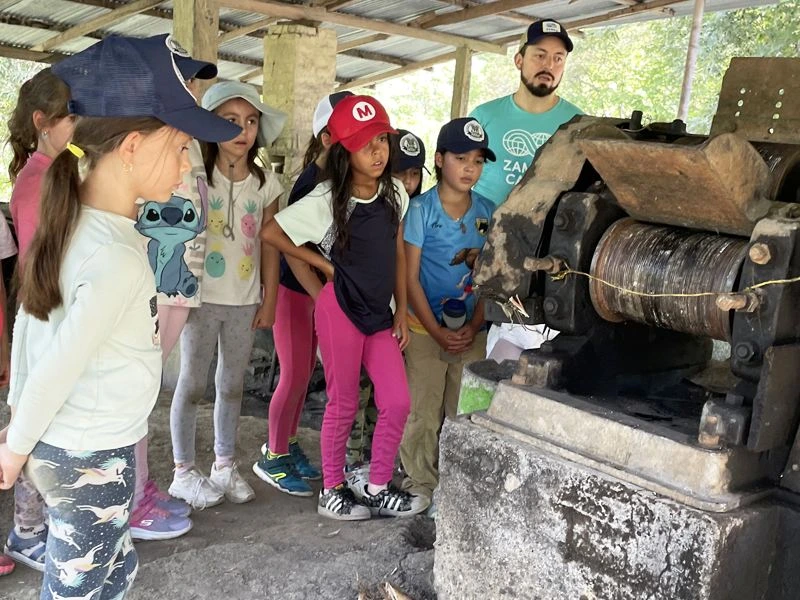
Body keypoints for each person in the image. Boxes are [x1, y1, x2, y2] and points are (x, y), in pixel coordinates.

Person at [0, 33, 239, 599]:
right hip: (92, 455)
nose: (186, 166)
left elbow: (31, 329)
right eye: (180, 148)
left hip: (77, 445)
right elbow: (60, 359)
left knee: (115, 570)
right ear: (132, 146)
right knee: (79, 587)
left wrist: (20, 423)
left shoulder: (79, 225)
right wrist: (15, 447)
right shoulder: (114, 255)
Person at [262, 95, 427, 521]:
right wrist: (324, 266)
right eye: (364, 144)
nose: (377, 152)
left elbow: (397, 250)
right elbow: (272, 233)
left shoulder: (394, 191)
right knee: (344, 402)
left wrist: (401, 310)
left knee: (397, 401)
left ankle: (376, 486)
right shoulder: (325, 197)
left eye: (382, 140)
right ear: (343, 151)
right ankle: (332, 488)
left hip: (380, 313)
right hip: (340, 310)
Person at [168, 81, 285, 510]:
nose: (243, 130)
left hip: (244, 300)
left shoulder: (266, 183)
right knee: (192, 383)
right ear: (209, 125)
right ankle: (183, 471)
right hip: (198, 298)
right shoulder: (195, 176)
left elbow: (270, 245)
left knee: (233, 385)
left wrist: (269, 298)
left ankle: (224, 465)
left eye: (251, 121)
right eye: (230, 120)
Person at [128, 44, 222, 542]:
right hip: (154, 285)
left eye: (193, 80)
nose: (192, 88)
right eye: (183, 79)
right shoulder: (145, 134)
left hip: (180, 285)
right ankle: (131, 498)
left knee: (142, 391)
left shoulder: (185, 134)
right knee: (135, 392)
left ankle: (140, 486)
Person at [254, 91, 352, 498]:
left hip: (313, 294)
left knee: (303, 373)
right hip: (295, 294)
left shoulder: (337, 181)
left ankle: (288, 444)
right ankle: (273, 456)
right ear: (327, 138)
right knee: (293, 375)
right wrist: (321, 296)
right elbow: (292, 250)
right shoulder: (312, 183)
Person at [468, 18, 582, 361]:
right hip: (478, 248)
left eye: (558, 58)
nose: (549, 65)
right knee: (468, 347)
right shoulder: (484, 116)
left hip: (539, 259)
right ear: (519, 60)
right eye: (540, 55)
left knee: (521, 356)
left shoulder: (576, 125)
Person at [399, 117, 495, 507]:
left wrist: (475, 324)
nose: (470, 168)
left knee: (466, 410)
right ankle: (420, 483)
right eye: (460, 158)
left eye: (478, 161)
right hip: (424, 331)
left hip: (472, 331)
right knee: (422, 409)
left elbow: (490, 277)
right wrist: (437, 331)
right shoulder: (420, 210)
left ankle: (458, 485)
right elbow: (409, 279)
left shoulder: (489, 212)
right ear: (439, 160)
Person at [2, 67, 73, 572]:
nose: (78, 124)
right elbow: (39, 261)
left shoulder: (57, 169)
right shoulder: (37, 181)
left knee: (48, 419)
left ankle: (42, 523)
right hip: (45, 311)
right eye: (70, 116)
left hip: (54, 309)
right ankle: (26, 531)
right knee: (34, 421)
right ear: (42, 121)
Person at [344, 127, 429, 498]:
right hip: (357, 316)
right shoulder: (360, 206)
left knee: (386, 396)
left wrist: (402, 313)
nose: (408, 183)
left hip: (392, 319)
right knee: (355, 393)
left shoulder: (415, 211)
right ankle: (350, 463)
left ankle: (374, 466)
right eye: (400, 174)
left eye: (414, 175)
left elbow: (404, 268)